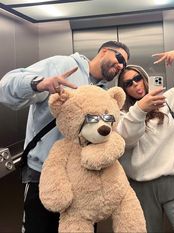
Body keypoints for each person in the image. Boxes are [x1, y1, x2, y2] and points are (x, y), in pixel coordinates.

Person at [0, 40, 130, 233]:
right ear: (104, 51)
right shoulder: (63, 65)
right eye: (119, 58)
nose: (120, 65)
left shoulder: (103, 92)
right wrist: (39, 84)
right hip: (43, 176)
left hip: (85, 181)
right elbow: (5, 87)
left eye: (124, 64)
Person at [117, 48, 174, 232]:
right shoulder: (122, 115)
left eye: (138, 78)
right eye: (128, 83)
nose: (135, 84)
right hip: (141, 189)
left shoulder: (170, 100)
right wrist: (140, 110)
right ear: (124, 89)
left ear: (144, 78)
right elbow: (126, 140)